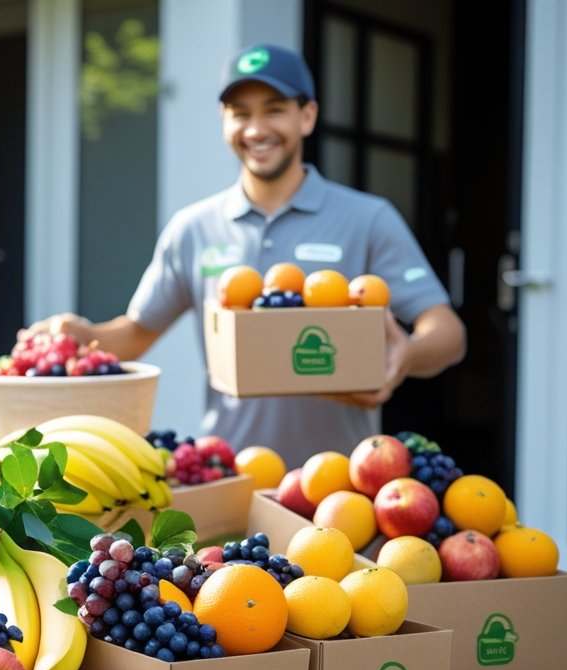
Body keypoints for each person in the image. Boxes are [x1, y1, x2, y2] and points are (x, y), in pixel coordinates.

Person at [24, 42, 466, 467]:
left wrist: (406, 353)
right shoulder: (193, 228)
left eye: (274, 110)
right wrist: (83, 334)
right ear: (224, 121)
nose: (256, 130)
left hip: (343, 482)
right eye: (241, 113)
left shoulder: (367, 218)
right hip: (233, 474)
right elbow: (136, 333)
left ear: (307, 116)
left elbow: (448, 333)